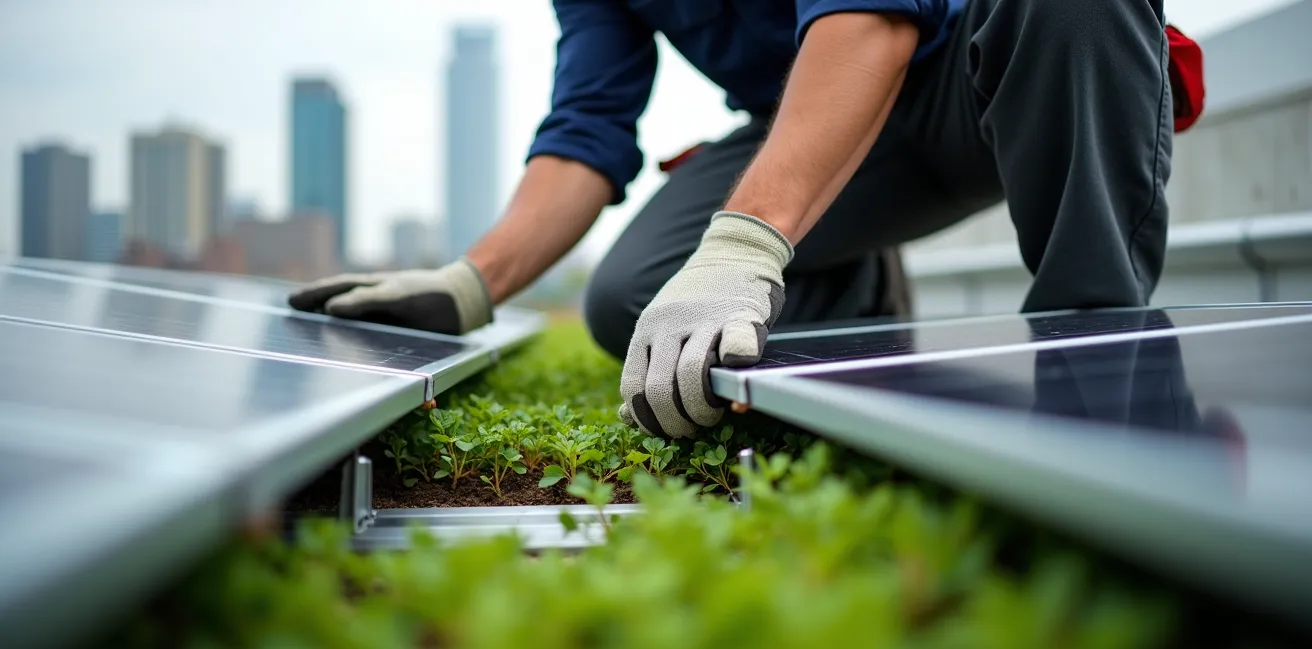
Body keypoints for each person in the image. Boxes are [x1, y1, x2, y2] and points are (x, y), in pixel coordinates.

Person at [289, 0, 1203, 439]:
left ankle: (1101, 371)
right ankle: (854, 294)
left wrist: (743, 245)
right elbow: (586, 130)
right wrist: (471, 280)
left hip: (985, 75)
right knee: (627, 298)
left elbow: (871, 22)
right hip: (823, 132)